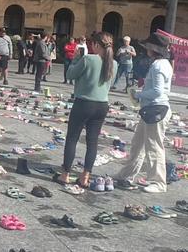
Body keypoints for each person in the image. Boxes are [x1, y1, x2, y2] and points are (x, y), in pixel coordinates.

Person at [115, 33, 173, 193]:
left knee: (154, 147)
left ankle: (159, 182)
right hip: (151, 110)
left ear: (153, 49)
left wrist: (138, 94)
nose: (146, 48)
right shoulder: (164, 63)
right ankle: (126, 174)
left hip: (156, 110)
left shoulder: (158, 66)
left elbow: (157, 91)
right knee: (138, 144)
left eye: (148, 46)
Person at [58, 32, 116, 188]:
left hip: (84, 103)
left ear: (96, 45)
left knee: (72, 138)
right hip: (102, 105)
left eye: (92, 44)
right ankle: (85, 177)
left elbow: (70, 74)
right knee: (92, 141)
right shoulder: (114, 64)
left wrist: (76, 58)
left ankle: (65, 174)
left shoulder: (88, 59)